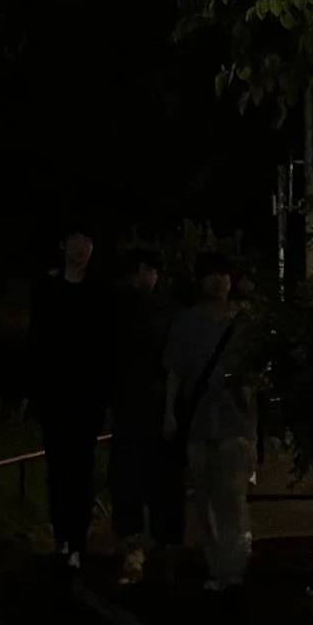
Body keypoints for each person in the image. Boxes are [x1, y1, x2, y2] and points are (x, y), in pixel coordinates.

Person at [166, 256, 257, 592]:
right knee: (205, 498)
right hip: (199, 421)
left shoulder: (245, 321)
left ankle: (235, 564)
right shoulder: (187, 322)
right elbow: (174, 370)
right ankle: (216, 565)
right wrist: (170, 412)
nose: (219, 281)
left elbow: (260, 369)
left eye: (224, 274)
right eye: (212, 275)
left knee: (232, 495)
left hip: (236, 420)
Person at [26, 228, 108, 568]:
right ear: (62, 244)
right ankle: (63, 535)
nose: (81, 248)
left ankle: (77, 539)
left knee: (82, 469)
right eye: (75, 240)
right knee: (58, 469)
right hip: (55, 397)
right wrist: (32, 391)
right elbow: (36, 341)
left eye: (87, 241)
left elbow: (107, 346)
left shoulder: (100, 292)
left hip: (87, 397)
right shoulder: (48, 290)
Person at [107, 244, 181, 576]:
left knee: (154, 476)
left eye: (151, 270)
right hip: (134, 403)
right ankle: (138, 542)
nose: (148, 276)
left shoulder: (163, 309)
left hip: (149, 402)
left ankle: (154, 541)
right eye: (143, 269)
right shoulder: (124, 306)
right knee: (135, 476)